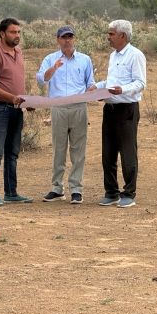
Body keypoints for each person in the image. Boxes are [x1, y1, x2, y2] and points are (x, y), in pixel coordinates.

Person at [37, 25, 95, 204]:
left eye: (70, 37)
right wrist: (53, 68)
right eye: (64, 37)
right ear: (58, 40)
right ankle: (57, 188)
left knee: (78, 150)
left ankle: (76, 189)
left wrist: (93, 91)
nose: (67, 40)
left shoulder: (85, 59)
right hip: (58, 107)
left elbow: (90, 83)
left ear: (74, 39)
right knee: (59, 149)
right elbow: (41, 79)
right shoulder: (50, 59)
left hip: (79, 107)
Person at [92, 19, 147, 208]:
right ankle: (111, 192)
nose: (108, 37)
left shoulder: (135, 55)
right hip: (110, 109)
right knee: (108, 152)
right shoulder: (113, 56)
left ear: (122, 35)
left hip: (127, 109)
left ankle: (129, 193)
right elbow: (111, 82)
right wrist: (97, 87)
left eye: (111, 34)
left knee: (127, 152)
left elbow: (140, 83)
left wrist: (121, 90)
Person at [0, 18, 32, 206]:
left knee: (12, 153)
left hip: (16, 109)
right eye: (13, 32)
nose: (17, 35)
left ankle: (11, 193)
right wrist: (11, 97)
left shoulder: (18, 52)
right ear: (2, 34)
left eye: (18, 32)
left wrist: (26, 101)